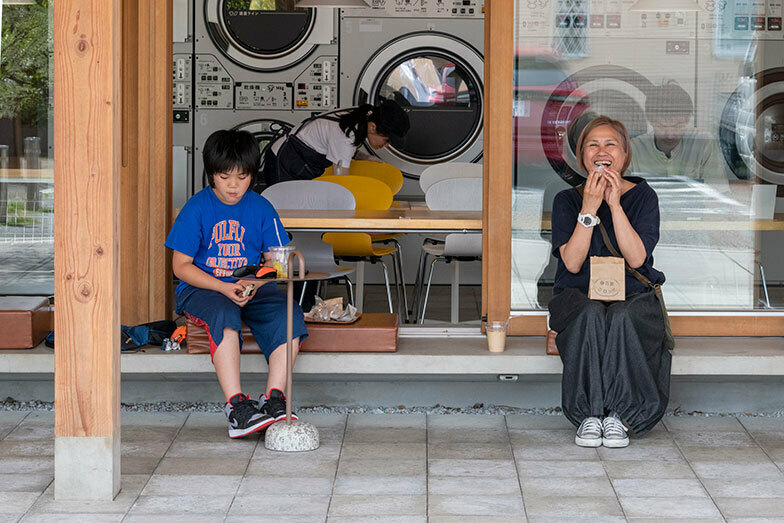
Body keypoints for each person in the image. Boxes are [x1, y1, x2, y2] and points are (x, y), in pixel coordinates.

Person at [165, 129, 308, 439]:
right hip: (203, 288)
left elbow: (278, 261)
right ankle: (236, 407)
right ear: (211, 174)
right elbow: (181, 267)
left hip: (251, 287)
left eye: (242, 177)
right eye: (225, 177)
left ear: (252, 175)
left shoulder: (261, 208)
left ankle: (273, 398)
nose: (233, 186)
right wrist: (221, 287)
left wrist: (255, 282)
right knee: (223, 315)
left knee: (289, 315)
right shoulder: (196, 208)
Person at [549, 115, 671, 449]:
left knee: (621, 315)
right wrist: (589, 207)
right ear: (581, 154)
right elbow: (572, 262)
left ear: (624, 153)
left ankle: (620, 414)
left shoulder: (644, 197)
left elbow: (636, 259)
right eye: (593, 144)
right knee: (590, 313)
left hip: (633, 298)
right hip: (577, 296)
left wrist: (614, 204)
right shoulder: (566, 200)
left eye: (610, 144)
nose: (601, 151)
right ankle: (589, 415)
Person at [261, 99, 410, 186]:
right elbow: (341, 184)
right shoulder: (346, 133)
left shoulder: (361, 116)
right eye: (387, 140)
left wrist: (365, 157)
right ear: (373, 127)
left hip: (299, 162)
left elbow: (342, 147)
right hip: (284, 162)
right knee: (285, 217)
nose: (386, 145)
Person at [631, 81, 725, 183]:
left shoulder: (703, 144)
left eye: (677, 126)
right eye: (661, 126)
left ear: (687, 118)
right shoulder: (634, 149)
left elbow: (718, 192)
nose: (670, 135)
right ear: (650, 120)